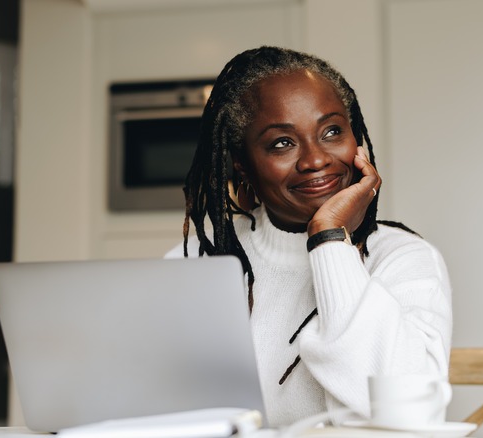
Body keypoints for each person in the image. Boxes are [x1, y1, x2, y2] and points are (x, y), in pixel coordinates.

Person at [165, 46, 452, 427]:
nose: (315, 160)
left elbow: (411, 415)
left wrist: (330, 240)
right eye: (282, 143)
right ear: (242, 164)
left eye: (332, 131)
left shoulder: (401, 258)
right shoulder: (198, 260)